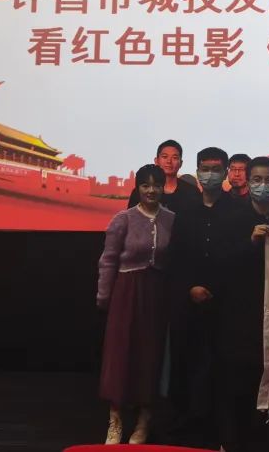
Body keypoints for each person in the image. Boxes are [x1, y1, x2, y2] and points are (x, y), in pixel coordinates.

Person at [97, 164, 177, 445]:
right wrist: (104, 296)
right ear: (137, 188)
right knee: (120, 355)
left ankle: (144, 422)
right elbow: (108, 259)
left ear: (164, 187)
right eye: (145, 185)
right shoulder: (124, 219)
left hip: (158, 295)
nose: (151, 190)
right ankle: (115, 421)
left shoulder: (172, 219)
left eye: (157, 185)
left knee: (151, 357)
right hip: (127, 292)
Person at [166, 147, 239, 448]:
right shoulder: (184, 210)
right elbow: (176, 255)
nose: (210, 174)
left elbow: (240, 258)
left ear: (225, 173)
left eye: (216, 169)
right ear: (196, 172)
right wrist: (190, 287)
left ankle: (220, 430)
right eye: (204, 169)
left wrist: (218, 288)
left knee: (222, 369)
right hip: (189, 301)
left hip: (226, 304)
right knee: (186, 364)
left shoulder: (238, 210)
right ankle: (185, 426)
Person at [216, 156, 269, 452]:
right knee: (238, 380)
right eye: (257, 179)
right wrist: (250, 243)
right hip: (240, 313)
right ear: (247, 181)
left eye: (268, 180)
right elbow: (221, 262)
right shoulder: (232, 217)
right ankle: (233, 441)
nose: (262, 185)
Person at [128, 139, 200, 215]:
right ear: (156, 161)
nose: (169, 161)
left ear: (181, 163)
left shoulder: (192, 192)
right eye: (165, 157)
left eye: (174, 158)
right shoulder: (141, 192)